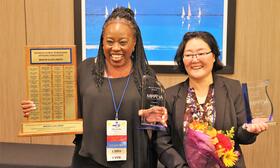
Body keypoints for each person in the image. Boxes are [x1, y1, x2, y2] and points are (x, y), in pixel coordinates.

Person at [21, 7, 170, 168]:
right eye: (109, 41)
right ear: (102, 41)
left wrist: (157, 117)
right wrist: (38, 110)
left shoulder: (146, 75)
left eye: (123, 42)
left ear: (134, 43)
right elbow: (68, 107)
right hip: (88, 160)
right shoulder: (86, 69)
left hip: (133, 161)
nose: (115, 48)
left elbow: (154, 122)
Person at [156, 31, 268, 168]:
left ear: (214, 56)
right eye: (189, 55)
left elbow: (241, 136)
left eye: (201, 53)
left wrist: (249, 130)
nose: (195, 59)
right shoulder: (169, 95)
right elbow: (162, 141)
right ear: (182, 59)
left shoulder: (233, 88)